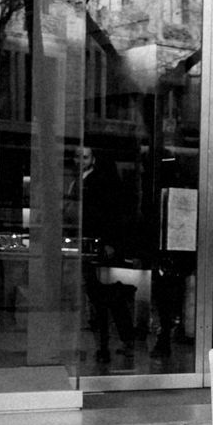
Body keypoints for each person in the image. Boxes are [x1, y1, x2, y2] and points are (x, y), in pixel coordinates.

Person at [72, 146, 137, 364]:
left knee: (104, 296)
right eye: (78, 156)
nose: (80, 161)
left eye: (85, 157)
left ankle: (110, 343)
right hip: (89, 244)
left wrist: (109, 242)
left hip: (98, 245)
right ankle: (114, 341)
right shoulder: (82, 180)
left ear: (94, 159)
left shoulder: (100, 181)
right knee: (101, 295)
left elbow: (109, 213)